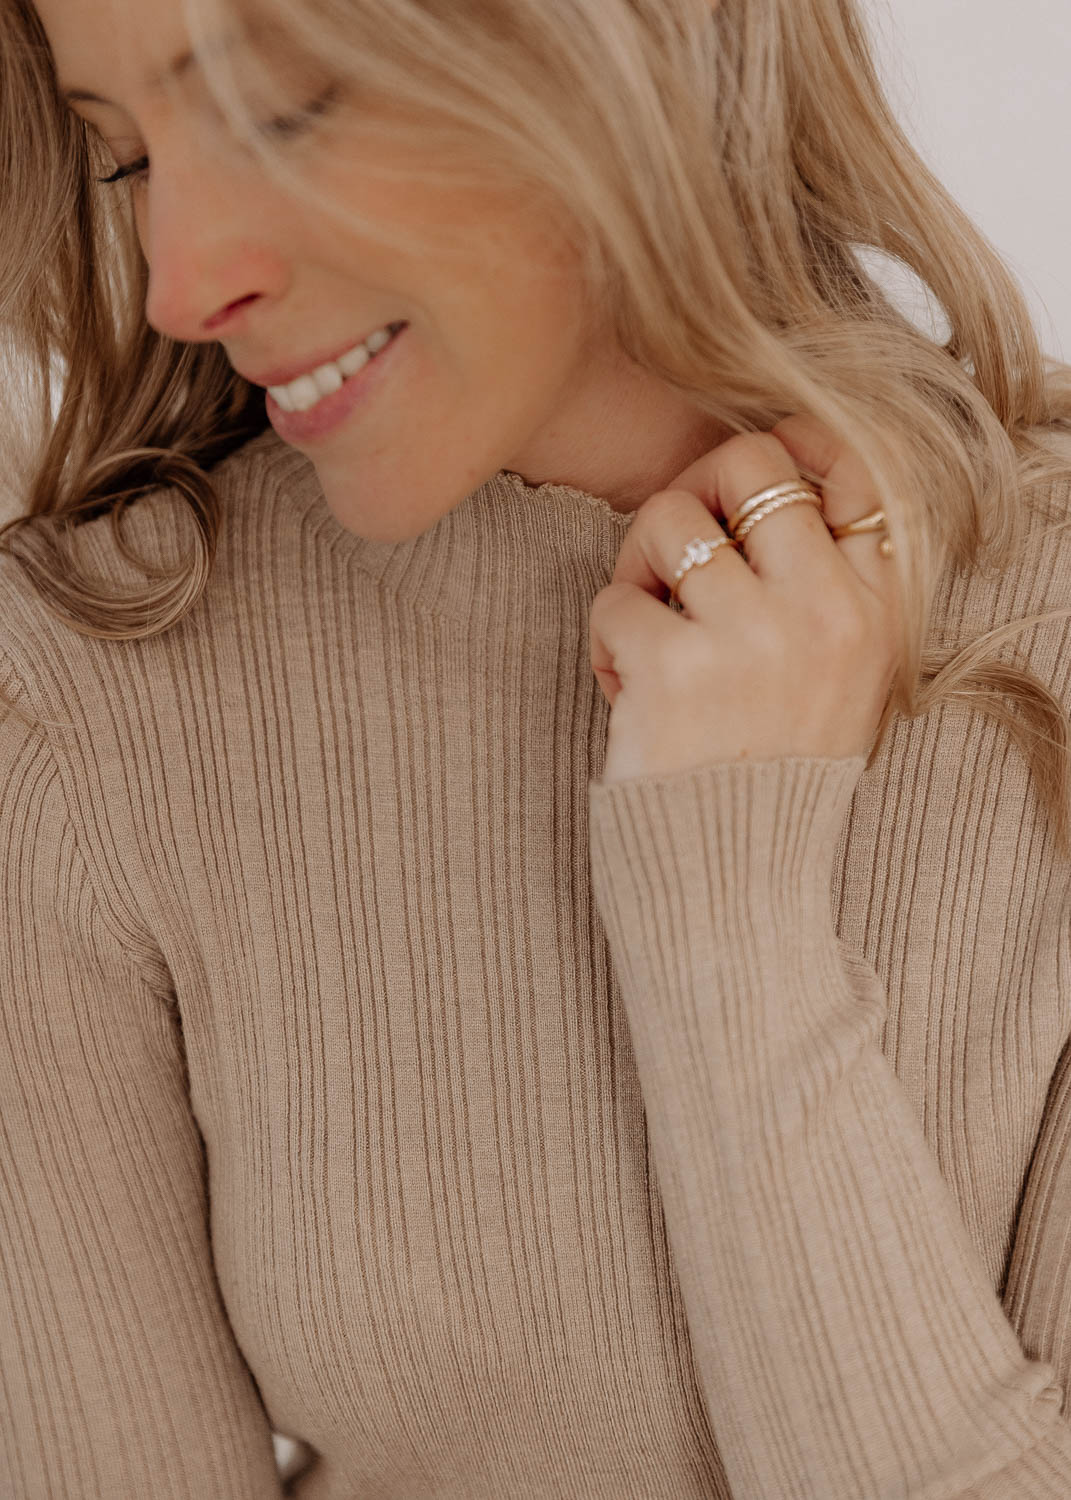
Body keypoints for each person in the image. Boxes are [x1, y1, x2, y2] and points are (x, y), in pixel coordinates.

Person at [3, 0, 1071, 1493]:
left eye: (279, 110)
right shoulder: (81, 694)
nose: (180, 285)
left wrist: (724, 893)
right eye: (125, 159)